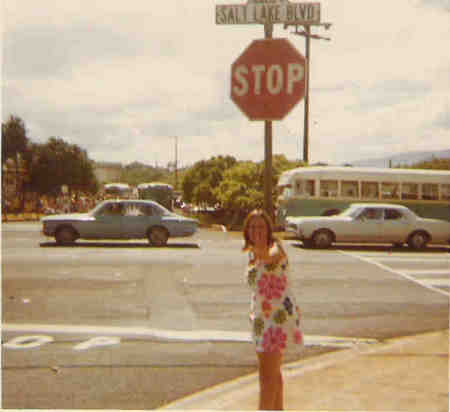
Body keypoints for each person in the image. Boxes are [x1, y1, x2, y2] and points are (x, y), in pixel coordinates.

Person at [243, 209, 304, 410]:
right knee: (273, 375)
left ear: (269, 229)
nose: (256, 230)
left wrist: (259, 249)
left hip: (276, 320)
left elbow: (272, 258)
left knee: (266, 378)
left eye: (261, 226)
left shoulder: (275, 247)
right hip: (262, 318)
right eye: (252, 227)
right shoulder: (252, 253)